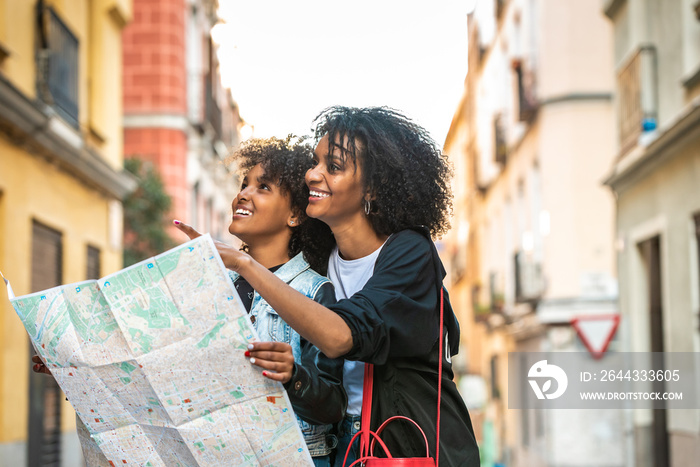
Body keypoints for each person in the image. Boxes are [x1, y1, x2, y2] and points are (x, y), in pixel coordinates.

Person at [175, 107, 480, 466]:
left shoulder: (411, 252)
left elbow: (341, 337)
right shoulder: (319, 262)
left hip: (404, 443)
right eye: (316, 162)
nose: (313, 175)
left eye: (332, 167)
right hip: (340, 444)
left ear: (373, 186)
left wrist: (244, 263)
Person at [35, 135, 346, 466]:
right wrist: (78, 369)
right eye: (244, 184)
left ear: (295, 215)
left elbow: (334, 405)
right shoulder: (208, 281)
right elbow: (159, 370)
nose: (243, 194)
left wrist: (293, 375)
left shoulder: (315, 292)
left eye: (263, 187)